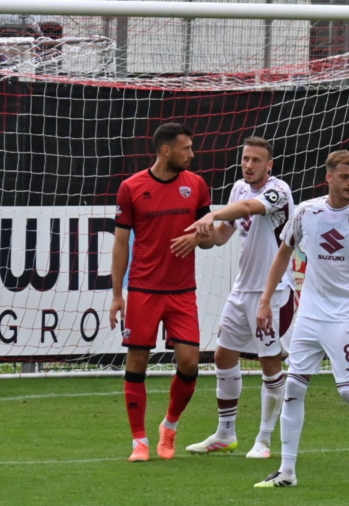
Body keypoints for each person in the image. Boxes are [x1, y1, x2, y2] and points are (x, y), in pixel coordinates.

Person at [253, 149, 349, 488]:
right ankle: (288, 471)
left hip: (346, 319)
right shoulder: (307, 213)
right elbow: (282, 256)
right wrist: (265, 301)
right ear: (329, 177)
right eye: (344, 177)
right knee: (293, 387)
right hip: (309, 316)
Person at [171, 137, 296, 459]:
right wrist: (200, 237)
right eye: (245, 159)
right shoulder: (238, 187)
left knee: (269, 362)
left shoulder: (279, 190)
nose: (249, 165)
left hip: (274, 292)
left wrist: (208, 216)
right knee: (223, 356)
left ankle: (265, 441)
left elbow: (248, 209)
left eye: (256, 160)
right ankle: (226, 434)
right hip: (242, 290)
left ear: (269, 165)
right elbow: (222, 236)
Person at [110, 122, 212, 462]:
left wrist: (198, 236)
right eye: (186, 148)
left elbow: (210, 236)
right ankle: (138, 441)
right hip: (142, 289)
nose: (192, 154)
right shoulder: (131, 187)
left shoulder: (196, 185)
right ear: (166, 151)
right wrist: (116, 294)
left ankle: (169, 427)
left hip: (182, 290)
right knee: (137, 360)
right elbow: (121, 243)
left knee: (190, 362)